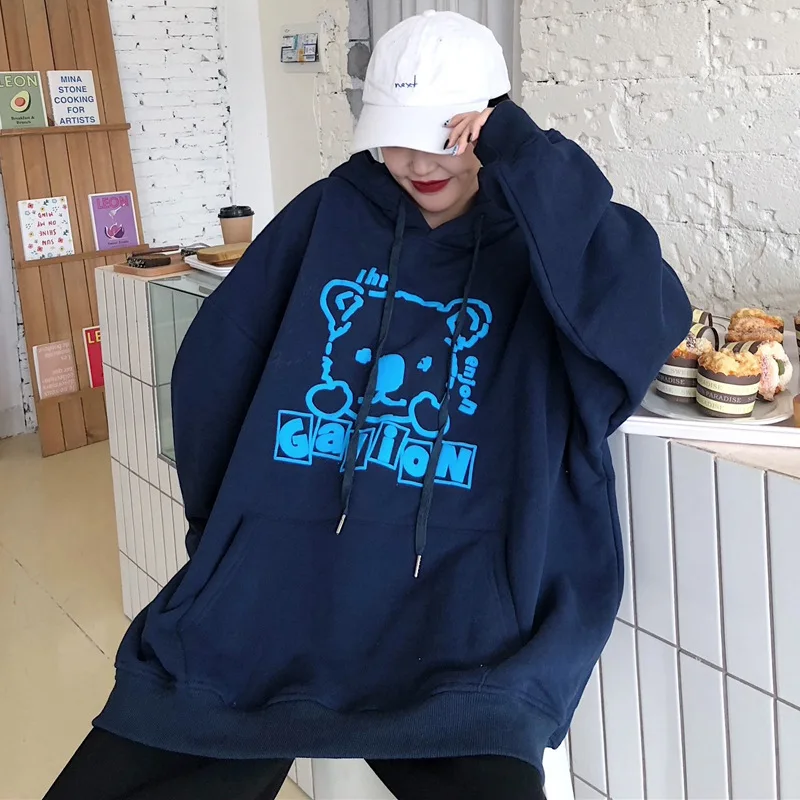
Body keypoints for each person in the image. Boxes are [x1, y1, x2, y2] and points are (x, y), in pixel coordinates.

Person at [46, 10, 690, 800]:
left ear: (491, 124)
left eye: (444, 136)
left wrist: (529, 158)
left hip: (465, 615)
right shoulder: (329, 214)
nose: (416, 161)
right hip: (279, 590)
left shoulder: (550, 243)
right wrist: (231, 539)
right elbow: (214, 368)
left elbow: (642, 326)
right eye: (394, 136)